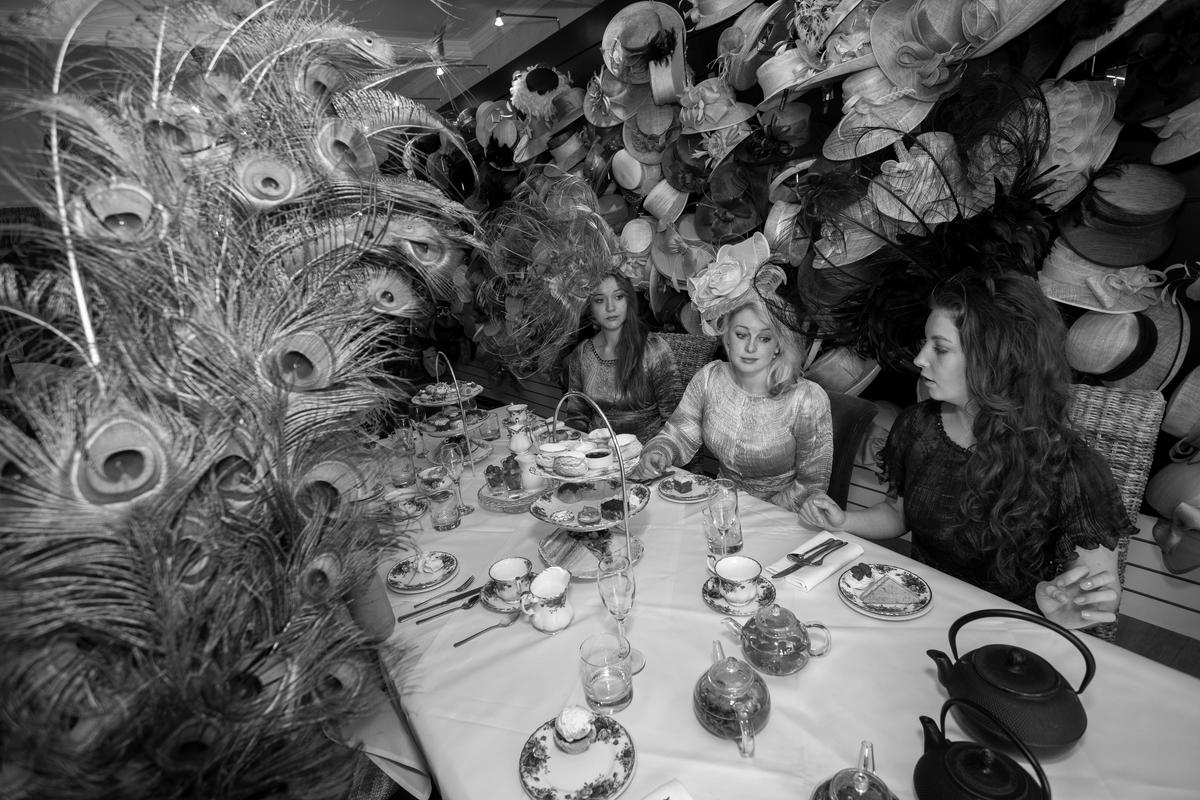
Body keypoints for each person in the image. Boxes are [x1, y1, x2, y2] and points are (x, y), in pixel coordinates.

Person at [797, 271, 1128, 629]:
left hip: (1010, 632)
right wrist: (845, 522)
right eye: (925, 343)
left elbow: (1095, 596)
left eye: (940, 348)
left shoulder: (1070, 467)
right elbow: (899, 514)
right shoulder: (918, 426)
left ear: (995, 358)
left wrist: (1066, 612)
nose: (921, 358)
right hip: (920, 615)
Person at [634, 295, 833, 511]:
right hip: (721, 505)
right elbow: (679, 433)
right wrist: (659, 452)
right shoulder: (710, 378)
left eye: (764, 338)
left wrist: (759, 512)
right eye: (741, 335)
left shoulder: (808, 399)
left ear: (778, 345)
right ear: (727, 337)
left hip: (782, 515)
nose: (750, 347)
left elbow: (812, 484)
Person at [563, 270, 682, 441]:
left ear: (629, 301)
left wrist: (656, 454)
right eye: (599, 300)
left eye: (618, 297)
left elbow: (675, 422)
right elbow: (576, 418)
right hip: (597, 456)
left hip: (646, 457)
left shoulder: (653, 350)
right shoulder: (581, 354)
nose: (610, 307)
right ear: (590, 308)